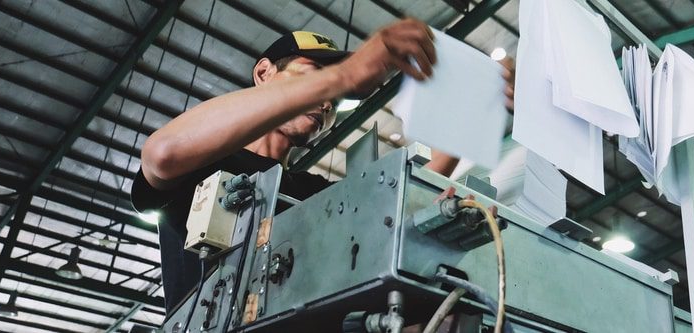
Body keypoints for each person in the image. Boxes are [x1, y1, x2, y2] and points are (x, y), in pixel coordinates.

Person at [130, 18, 515, 310]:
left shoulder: (315, 194)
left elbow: (396, 202)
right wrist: (344, 75)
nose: (329, 103)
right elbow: (163, 153)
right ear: (264, 72)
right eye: (315, 73)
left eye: (337, 96)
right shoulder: (203, 159)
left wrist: (481, 106)